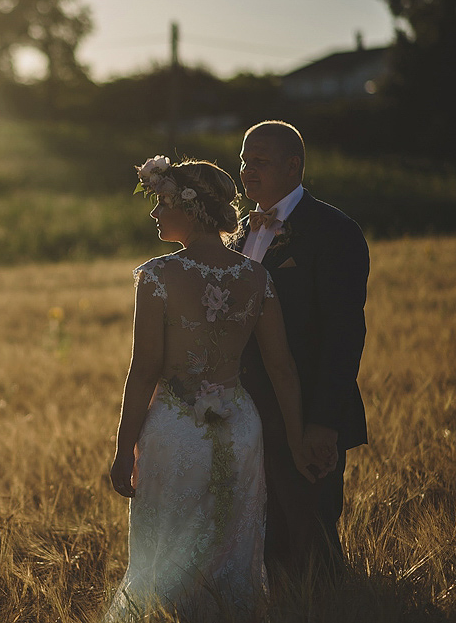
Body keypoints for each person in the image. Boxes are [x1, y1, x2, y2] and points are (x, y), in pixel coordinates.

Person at [107, 156, 313, 621]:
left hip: (175, 429)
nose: (154, 213)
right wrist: (297, 440)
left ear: (193, 208)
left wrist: (124, 448)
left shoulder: (157, 275)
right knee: (230, 548)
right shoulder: (257, 277)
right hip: (240, 427)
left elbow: (144, 369)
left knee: (166, 554)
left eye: (162, 202)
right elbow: (282, 369)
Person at [235, 120, 369, 580]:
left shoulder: (333, 230)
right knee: (263, 540)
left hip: (307, 411)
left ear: (294, 166)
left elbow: (344, 334)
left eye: (261, 162)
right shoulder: (238, 234)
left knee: (312, 540)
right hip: (246, 414)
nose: (248, 171)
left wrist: (323, 422)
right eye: (244, 161)